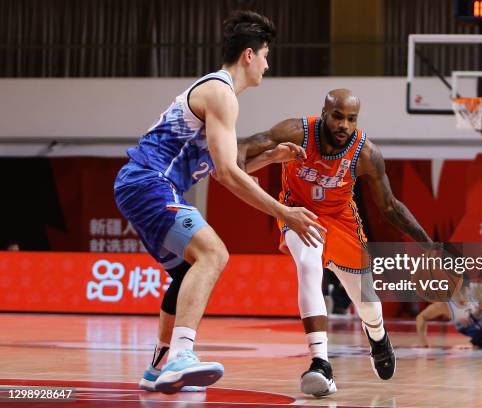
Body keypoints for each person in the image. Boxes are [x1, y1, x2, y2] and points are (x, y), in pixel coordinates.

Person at [114, 10, 324, 394]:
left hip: (143, 185)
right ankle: (180, 355)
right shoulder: (220, 93)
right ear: (248, 54)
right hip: (150, 182)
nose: (267, 63)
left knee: (185, 273)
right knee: (214, 254)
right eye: (265, 54)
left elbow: (214, 166)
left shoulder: (217, 95)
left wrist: (268, 159)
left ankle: (158, 366)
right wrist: (284, 213)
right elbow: (227, 173)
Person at [238, 89, 436, 397]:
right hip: (298, 211)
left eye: (351, 119)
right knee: (308, 264)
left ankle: (378, 336)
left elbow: (390, 207)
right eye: (338, 117)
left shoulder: (366, 153)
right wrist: (242, 172)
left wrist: (427, 244)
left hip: (342, 220)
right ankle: (320, 363)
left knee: (368, 304)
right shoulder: (298, 131)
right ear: (325, 113)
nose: (344, 125)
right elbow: (245, 145)